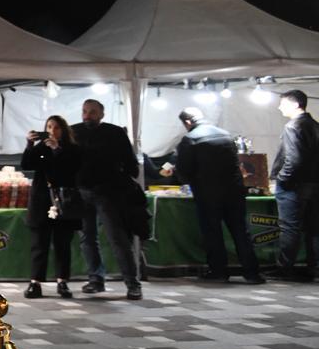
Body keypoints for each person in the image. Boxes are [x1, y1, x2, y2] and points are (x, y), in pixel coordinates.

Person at [166, 107, 262, 283]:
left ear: (187, 122)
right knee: (241, 231)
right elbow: (236, 163)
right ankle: (252, 273)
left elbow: (184, 170)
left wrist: (181, 177)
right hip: (234, 190)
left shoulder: (191, 139)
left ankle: (219, 271)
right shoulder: (225, 135)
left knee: (213, 232)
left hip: (207, 192)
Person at [70, 99, 144, 300]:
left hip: (108, 193)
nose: (87, 115)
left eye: (92, 112)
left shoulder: (114, 133)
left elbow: (130, 162)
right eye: (85, 111)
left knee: (117, 238)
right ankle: (96, 279)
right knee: (87, 239)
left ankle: (132, 283)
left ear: (101, 114)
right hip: (82, 192)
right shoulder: (73, 132)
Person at [20, 115, 83, 299]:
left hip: (64, 201)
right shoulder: (41, 147)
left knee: (63, 243)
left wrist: (58, 150)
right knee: (39, 243)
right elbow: (26, 165)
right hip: (42, 200)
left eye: (56, 127)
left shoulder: (72, 149)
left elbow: (72, 169)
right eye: (49, 127)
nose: (52, 131)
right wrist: (29, 145)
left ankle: (62, 281)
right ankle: (35, 282)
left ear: (63, 130)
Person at [271, 89, 319, 281]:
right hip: (314, 183)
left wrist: (282, 179)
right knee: (314, 228)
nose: (279, 107)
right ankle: (314, 267)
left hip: (294, 186)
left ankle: (285, 268)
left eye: (282, 103)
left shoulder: (293, 126)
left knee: (290, 228)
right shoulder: (315, 125)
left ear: (295, 104)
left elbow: (294, 159)